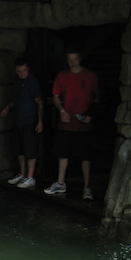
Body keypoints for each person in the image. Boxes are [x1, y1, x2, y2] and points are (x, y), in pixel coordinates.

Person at [45, 44, 100, 200]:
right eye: (70, 60)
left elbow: (98, 97)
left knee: (85, 156)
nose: (73, 63)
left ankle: (87, 187)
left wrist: (90, 114)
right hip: (66, 122)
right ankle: (61, 183)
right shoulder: (62, 76)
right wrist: (61, 110)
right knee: (63, 153)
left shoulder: (90, 76)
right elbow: (55, 96)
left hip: (84, 124)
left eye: (75, 60)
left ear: (80, 59)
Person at [1, 57, 44, 189]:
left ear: (28, 69)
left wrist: (40, 121)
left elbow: (39, 102)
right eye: (19, 71)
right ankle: (22, 173)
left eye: (24, 71)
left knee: (30, 149)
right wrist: (7, 107)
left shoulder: (33, 82)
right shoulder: (17, 81)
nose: (22, 74)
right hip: (18, 120)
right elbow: (16, 100)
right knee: (19, 149)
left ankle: (30, 177)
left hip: (30, 120)